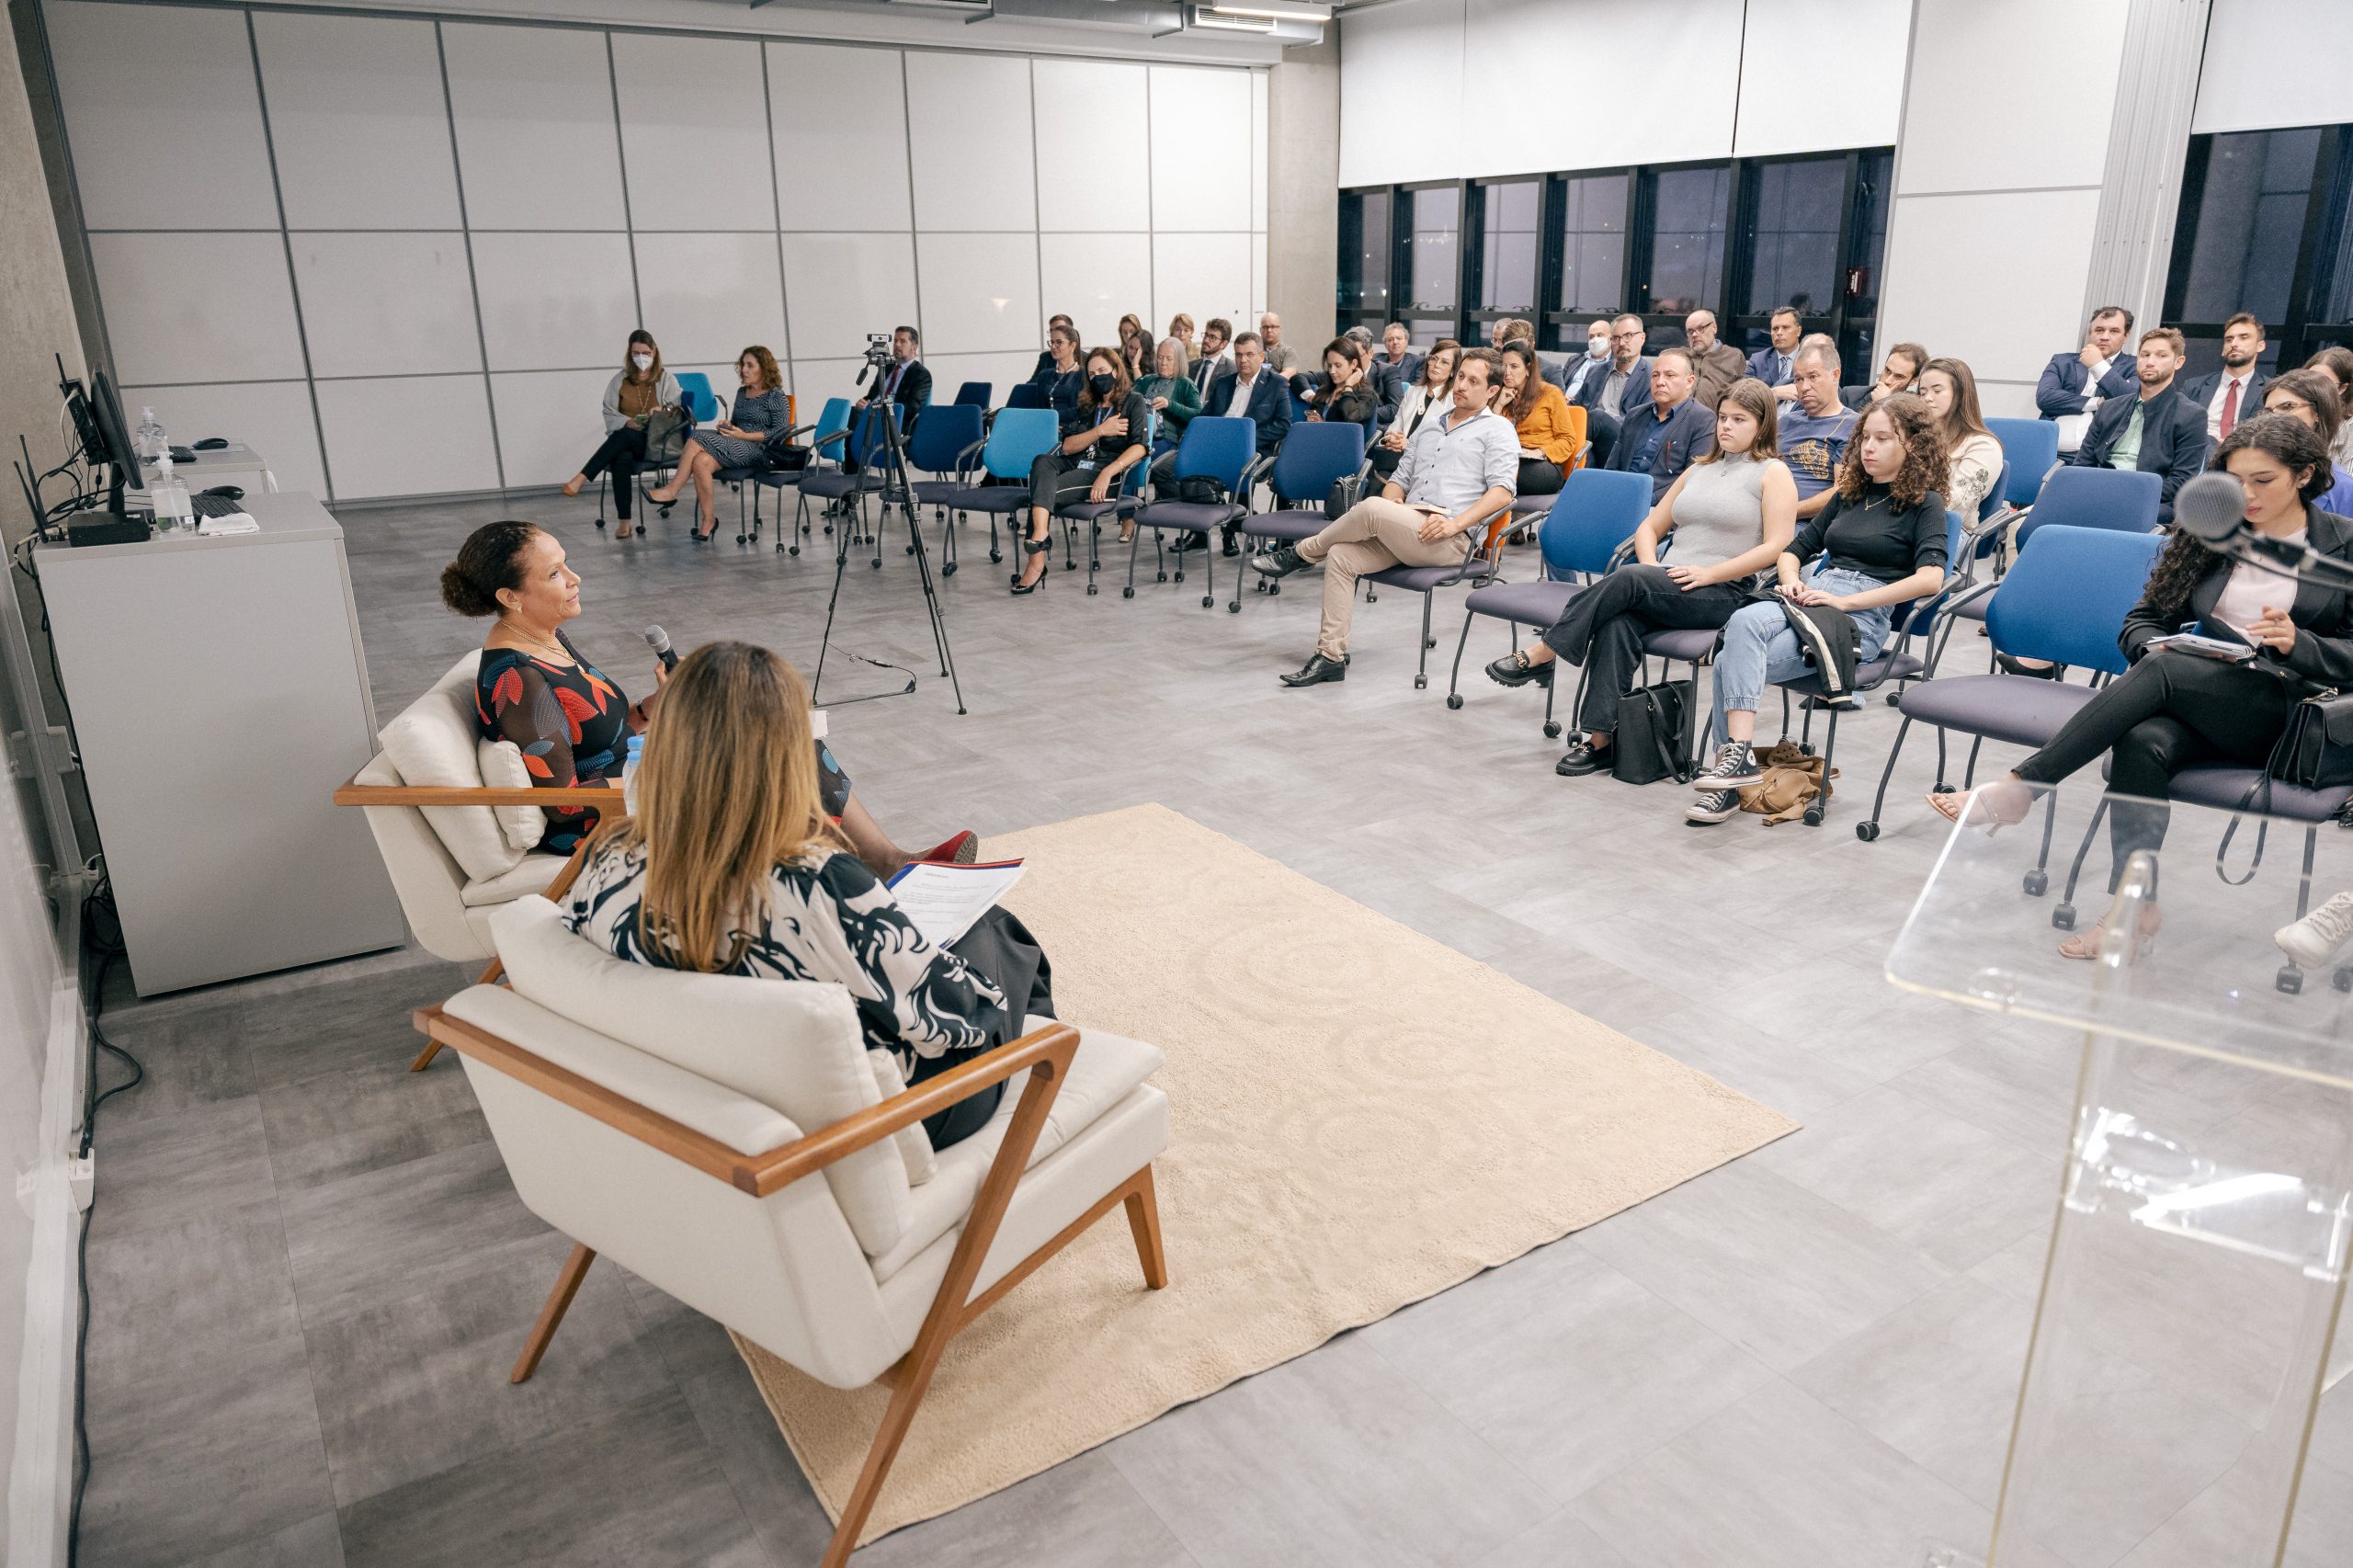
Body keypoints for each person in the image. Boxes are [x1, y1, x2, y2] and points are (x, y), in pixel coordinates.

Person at [562, 641, 1048, 1152]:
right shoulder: (816, 880)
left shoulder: (606, 859)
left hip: (715, 1100)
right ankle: (1046, 1090)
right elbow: (953, 1016)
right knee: (995, 931)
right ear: (787, 750)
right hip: (879, 1118)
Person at [1929, 415, 2353, 959]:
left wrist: (2301, 644)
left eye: (2262, 481)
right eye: (2234, 480)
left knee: (2165, 674)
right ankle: (2135, 906)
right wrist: (2157, 648)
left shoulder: (2341, 547)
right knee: (2143, 739)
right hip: (2214, 697)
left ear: (2305, 475)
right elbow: (2142, 621)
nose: (2245, 494)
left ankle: (2022, 786)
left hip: (2295, 716)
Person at [438, 520, 952, 874]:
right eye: (554, 574)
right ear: (510, 596)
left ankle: (877, 867)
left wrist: (650, 711)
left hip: (631, 780)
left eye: (566, 564)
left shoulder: (544, 636)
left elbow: (598, 729)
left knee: (782, 734)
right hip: (601, 823)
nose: (574, 579)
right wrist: (685, 766)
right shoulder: (517, 678)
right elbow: (568, 800)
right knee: (768, 755)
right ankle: (873, 872)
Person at [1487, 378, 1798, 777]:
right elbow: (1649, 529)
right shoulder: (1699, 469)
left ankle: (1546, 652)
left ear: (1762, 425)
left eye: (1739, 420)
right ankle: (1601, 741)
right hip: (1668, 582)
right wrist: (1651, 567)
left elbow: (1776, 546)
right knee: (1618, 623)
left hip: (1723, 591)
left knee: (1629, 581)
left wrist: (1708, 573)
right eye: (1723, 418)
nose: (1726, 427)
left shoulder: (1773, 473)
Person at [1686, 394, 1949, 824]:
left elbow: (1930, 580)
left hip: (1857, 613)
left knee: (1732, 652)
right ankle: (1737, 764)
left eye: (1883, 439)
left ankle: (1729, 771)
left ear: (1914, 446)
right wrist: (1791, 579)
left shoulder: (1926, 503)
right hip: (1810, 594)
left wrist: (1845, 600)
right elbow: (1794, 550)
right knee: (1742, 626)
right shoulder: (1850, 494)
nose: (1868, 447)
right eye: (1866, 436)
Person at [1252, 349, 1517, 687]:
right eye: (1461, 376)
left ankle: (1300, 553)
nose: (1461, 385)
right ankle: (1330, 658)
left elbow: (1503, 493)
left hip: (1449, 538)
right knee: (1342, 555)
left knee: (1371, 507)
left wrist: (1454, 524)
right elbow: (1398, 481)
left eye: (1473, 381)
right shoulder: (1433, 425)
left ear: (1492, 391)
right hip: (1409, 526)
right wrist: (1395, 505)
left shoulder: (1498, 430)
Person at [1014, 347, 1149, 594]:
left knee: (1041, 495)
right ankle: (1042, 533)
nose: (1098, 377)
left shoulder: (1133, 401)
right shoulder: (1087, 404)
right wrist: (1100, 430)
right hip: (1078, 461)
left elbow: (1140, 447)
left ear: (1116, 371)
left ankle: (1035, 566)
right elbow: (1067, 447)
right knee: (1042, 461)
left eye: (1102, 371)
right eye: (1092, 373)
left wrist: (1108, 472)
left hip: (1105, 471)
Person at [645, 346, 786, 541]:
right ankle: (708, 520)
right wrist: (728, 426)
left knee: (698, 437)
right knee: (701, 461)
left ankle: (672, 490)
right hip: (736, 444)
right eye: (743, 365)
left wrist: (744, 436)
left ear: (764, 368)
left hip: (760, 451)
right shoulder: (742, 392)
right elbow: (737, 423)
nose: (743, 370)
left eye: (750, 365)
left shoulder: (775, 395)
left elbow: (778, 433)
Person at [2070, 326, 2209, 525]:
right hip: (2100, 493)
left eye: (2161, 356)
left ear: (2179, 362)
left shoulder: (2192, 415)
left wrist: (2127, 494)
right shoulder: (2109, 408)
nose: (2150, 362)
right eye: (2145, 355)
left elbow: (2181, 482)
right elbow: (2083, 464)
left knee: (2111, 517)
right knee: (2031, 522)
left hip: (2151, 501)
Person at [562, 330, 681, 540]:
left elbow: (678, 411)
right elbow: (609, 411)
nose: (641, 357)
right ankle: (624, 522)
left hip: (656, 443)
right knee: (622, 455)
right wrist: (629, 421)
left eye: (645, 352)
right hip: (628, 441)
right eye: (636, 353)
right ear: (629, 353)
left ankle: (582, 477)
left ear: (654, 352)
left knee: (623, 438)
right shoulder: (620, 380)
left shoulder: (666, 378)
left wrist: (660, 411)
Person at [1183, 332, 1291, 552]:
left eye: (1249, 354)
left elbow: (1284, 424)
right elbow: (1205, 418)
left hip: (1255, 451)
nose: (1243, 360)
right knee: (1190, 468)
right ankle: (1199, 531)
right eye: (1239, 355)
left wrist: (1243, 438)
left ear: (1262, 356)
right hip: (1219, 447)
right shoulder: (1224, 384)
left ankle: (1230, 532)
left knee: (1242, 469)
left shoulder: (1276, 384)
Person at [1605, 348, 1712, 502]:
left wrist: (1645, 500)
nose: (1660, 382)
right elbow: (1612, 467)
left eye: (1670, 375)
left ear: (1689, 382)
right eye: (1655, 375)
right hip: (1621, 497)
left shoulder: (1703, 419)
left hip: (1662, 507)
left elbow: (1693, 480)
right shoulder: (1635, 415)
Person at [2036, 305, 2136, 453]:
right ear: (2090, 333)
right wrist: (2097, 402)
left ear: (2126, 336)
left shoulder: (2135, 365)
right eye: (2099, 330)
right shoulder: (2063, 362)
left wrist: (2098, 365)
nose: (2105, 336)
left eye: (2114, 331)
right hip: (2049, 453)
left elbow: (2130, 401)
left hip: (2097, 458)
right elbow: (2045, 398)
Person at [1916, 356, 2004, 520]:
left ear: (1960, 394)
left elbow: (1958, 505)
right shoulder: (1916, 438)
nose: (1927, 398)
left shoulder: (1983, 446)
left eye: (1937, 391)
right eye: (1923, 392)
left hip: (1948, 531)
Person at [1779, 343, 1860, 518]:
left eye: (1813, 377)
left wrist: (1785, 513)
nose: (1804, 387)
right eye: (1799, 379)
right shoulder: (1785, 422)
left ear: (1835, 375)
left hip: (1809, 524)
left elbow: (1842, 490)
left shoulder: (1852, 425)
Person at [2257, 369, 2353, 514]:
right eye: (2268, 412)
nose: (2275, 417)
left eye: (2287, 407)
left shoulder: (2344, 489)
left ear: (2318, 413)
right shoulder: (2247, 470)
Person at [1495, 343, 1579, 495]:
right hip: (1508, 460)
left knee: (1497, 473)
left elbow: (1567, 440)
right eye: (1504, 366)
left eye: (1514, 366)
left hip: (1541, 465)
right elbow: (1488, 434)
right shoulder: (1499, 395)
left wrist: (1538, 452)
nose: (1507, 373)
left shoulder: (1550, 393)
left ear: (1528, 368)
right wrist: (1499, 404)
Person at [1372, 338, 1460, 481]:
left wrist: (1409, 445)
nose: (1436, 365)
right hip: (1396, 459)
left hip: (1426, 467)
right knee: (1375, 484)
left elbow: (1443, 443)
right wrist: (1391, 438)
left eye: (1444, 362)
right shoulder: (1413, 391)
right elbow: (1395, 426)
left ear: (1452, 371)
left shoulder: (1453, 400)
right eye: (1434, 359)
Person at [1574, 313, 1653, 469]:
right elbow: (1577, 406)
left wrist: (1605, 422)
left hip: (1625, 440)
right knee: (1588, 454)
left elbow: (1644, 420)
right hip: (1591, 440)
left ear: (1642, 338)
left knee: (1597, 417)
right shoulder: (1596, 372)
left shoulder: (1652, 376)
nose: (1621, 343)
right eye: (1615, 338)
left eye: (1628, 336)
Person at [2177, 312, 2269, 442]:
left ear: (2260, 346)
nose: (2234, 344)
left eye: (2243, 337)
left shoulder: (2270, 390)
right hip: (2199, 454)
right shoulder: (2193, 387)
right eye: (2229, 339)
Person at [1135, 336, 1203, 460]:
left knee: (1134, 454)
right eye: (1160, 358)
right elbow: (1129, 396)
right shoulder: (1148, 380)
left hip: (1163, 439)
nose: (1163, 363)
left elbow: (1199, 415)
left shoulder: (1185, 384)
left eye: (1169, 359)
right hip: (1139, 434)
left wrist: (1170, 405)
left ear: (1179, 361)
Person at [854, 324, 930, 429]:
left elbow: (911, 408)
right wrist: (864, 402)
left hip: (893, 421)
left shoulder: (921, 374)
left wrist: (878, 409)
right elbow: (872, 396)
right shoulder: (887, 366)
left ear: (914, 348)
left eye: (903, 341)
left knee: (856, 418)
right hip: (872, 414)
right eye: (895, 341)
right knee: (852, 411)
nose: (897, 345)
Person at [1304, 336, 1381, 435]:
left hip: (1343, 446)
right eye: (1330, 366)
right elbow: (1312, 414)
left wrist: (1348, 387)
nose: (1332, 371)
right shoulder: (1324, 390)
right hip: (1317, 441)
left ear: (1353, 364)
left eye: (1338, 365)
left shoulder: (1367, 395)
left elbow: (1351, 418)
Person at [1683, 310, 1748, 411]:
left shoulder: (1734, 356)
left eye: (1700, 329)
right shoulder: (1681, 356)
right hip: (1680, 418)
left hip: (1715, 420)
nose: (1694, 335)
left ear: (1714, 327)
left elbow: (1742, 395)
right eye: (1690, 331)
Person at [2306, 346, 2353, 466]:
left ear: (2342, 388)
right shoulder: (2294, 412)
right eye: (2308, 379)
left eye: (2323, 382)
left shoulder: (2348, 426)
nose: (2313, 387)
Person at [1847, 342, 1927, 409]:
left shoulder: (1917, 408)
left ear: (1914, 381)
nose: (1887, 381)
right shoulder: (1850, 395)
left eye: (1899, 376)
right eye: (1887, 370)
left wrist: (1884, 403)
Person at [1026, 321, 1084, 413]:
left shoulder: (1084, 374)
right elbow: (1039, 409)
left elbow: (1084, 409)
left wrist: (1055, 419)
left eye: (1059, 342)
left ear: (1072, 346)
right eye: (1052, 342)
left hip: (1073, 425)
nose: (1053, 346)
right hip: (1048, 424)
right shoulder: (1044, 375)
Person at [1748, 307, 1803, 400]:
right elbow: (1745, 395)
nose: (1779, 333)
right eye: (1775, 329)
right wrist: (1773, 393)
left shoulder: (1810, 359)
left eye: (1785, 328)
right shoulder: (1757, 360)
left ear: (1798, 331)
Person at [1561, 319, 1614, 405]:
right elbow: (1559, 385)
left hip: (1592, 410)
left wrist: (1576, 399)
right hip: (1565, 408)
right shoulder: (1574, 360)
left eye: (1600, 335)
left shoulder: (1616, 363)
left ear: (1610, 338)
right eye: (1591, 336)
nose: (1595, 339)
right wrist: (1561, 397)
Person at [1191, 317, 1234, 392]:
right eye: (1206, 335)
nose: (1206, 340)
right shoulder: (1190, 366)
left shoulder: (1231, 369)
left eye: (1212, 337)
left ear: (1223, 344)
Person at [1029, 313, 1075, 382]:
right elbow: (1032, 385)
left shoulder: (1086, 359)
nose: (1053, 333)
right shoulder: (1045, 357)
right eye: (1051, 331)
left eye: (1059, 329)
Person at [1377, 321, 1423, 389]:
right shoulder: (1376, 359)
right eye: (1390, 340)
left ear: (1406, 342)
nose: (1395, 342)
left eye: (1399, 338)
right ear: (1385, 344)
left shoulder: (1418, 362)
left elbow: (1417, 388)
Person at [1117, 313, 1152, 381]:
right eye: (1124, 332)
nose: (1128, 336)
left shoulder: (1148, 355)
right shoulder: (1117, 355)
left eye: (1132, 331)